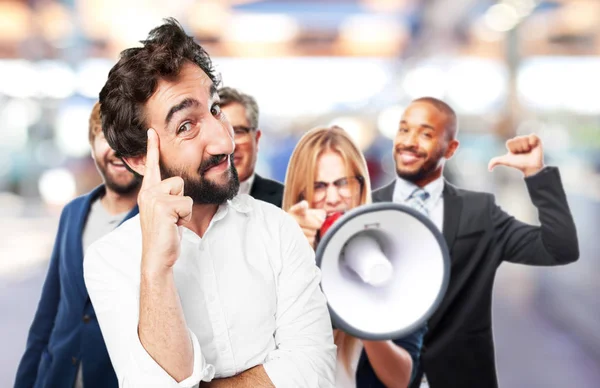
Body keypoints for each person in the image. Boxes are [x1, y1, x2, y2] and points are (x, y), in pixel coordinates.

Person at [83, 18, 335, 388]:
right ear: (138, 159)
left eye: (215, 109)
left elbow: (315, 372)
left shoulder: (277, 228)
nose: (225, 142)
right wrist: (156, 268)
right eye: (186, 125)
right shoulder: (111, 260)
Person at [372, 97, 580, 388]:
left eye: (426, 134)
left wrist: (536, 175)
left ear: (451, 148)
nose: (409, 141)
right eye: (404, 130)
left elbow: (559, 248)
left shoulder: (479, 213)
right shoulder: (365, 211)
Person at [283, 125, 426, 388]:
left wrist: (363, 316)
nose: (333, 198)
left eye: (342, 183)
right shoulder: (275, 251)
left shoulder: (398, 257)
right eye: (319, 186)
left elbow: (402, 379)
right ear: (300, 193)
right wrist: (285, 253)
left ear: (361, 186)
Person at [14, 101, 141, 388]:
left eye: (128, 139)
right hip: (56, 377)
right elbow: (49, 310)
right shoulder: (74, 213)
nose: (118, 150)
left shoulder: (158, 222)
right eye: (106, 137)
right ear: (93, 145)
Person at [218, 86, 284, 207]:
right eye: (220, 133)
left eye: (238, 131)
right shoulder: (187, 204)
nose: (230, 146)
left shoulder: (287, 201)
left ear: (257, 139)